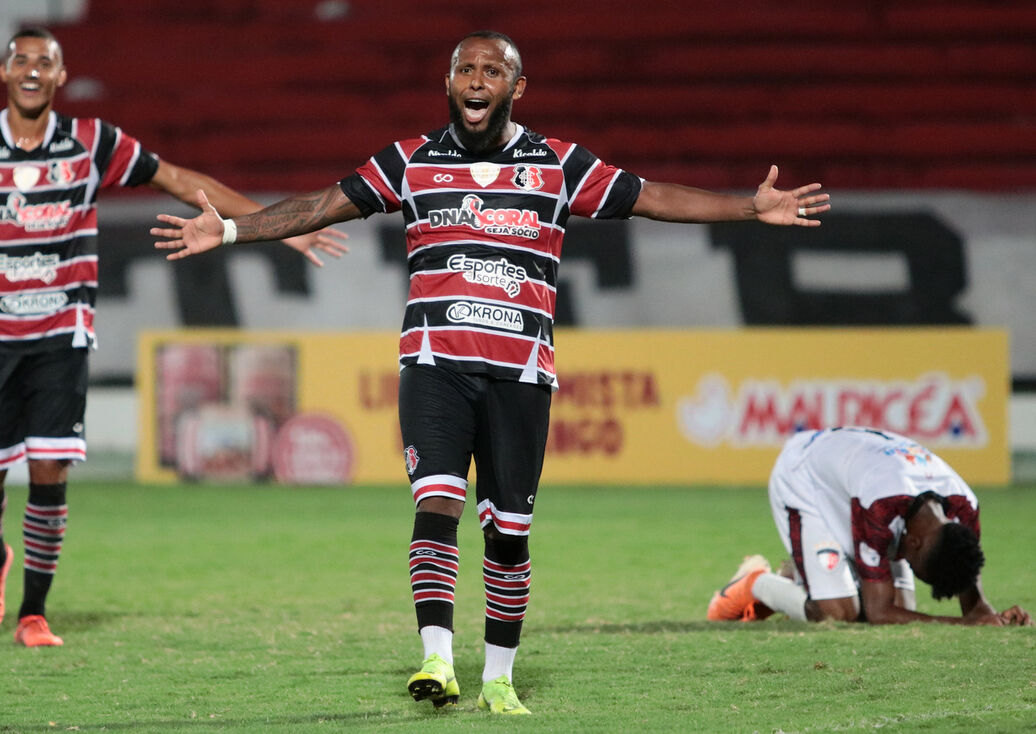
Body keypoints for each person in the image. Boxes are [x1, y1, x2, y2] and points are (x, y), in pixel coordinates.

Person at [152, 30, 830, 714]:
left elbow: (651, 197)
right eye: (465, 70)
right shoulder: (410, 162)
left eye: (493, 71)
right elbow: (320, 204)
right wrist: (233, 231)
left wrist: (749, 206)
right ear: (448, 85)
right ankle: (438, 660)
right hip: (434, 367)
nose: (478, 81)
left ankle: (499, 680)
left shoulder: (558, 164)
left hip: (521, 377)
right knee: (437, 502)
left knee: (507, 531)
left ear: (516, 88)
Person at [0, 27, 348, 648]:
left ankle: (33, 613)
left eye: (43, 62)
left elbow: (180, 180)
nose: (30, 70)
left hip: (60, 335)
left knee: (49, 472)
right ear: (3, 72)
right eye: (20, 59)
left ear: (59, 75)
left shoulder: (92, 142)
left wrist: (275, 228)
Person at [707, 426, 1033, 626]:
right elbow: (879, 613)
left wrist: (991, 617)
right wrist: (962, 625)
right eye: (914, 563)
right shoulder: (881, 503)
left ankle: (799, 573)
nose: (902, 559)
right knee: (840, 612)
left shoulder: (964, 509)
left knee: (904, 610)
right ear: (915, 543)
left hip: (852, 481)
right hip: (806, 480)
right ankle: (754, 583)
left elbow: (971, 597)